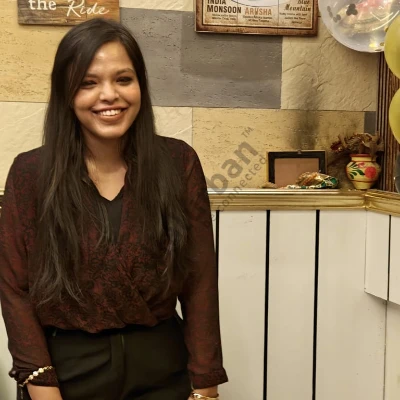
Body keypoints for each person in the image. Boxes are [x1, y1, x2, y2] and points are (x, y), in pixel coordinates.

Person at [0, 18, 227, 400]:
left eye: (123, 79)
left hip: (163, 369)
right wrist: (42, 387)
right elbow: (15, 290)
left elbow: (200, 281)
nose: (109, 95)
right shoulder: (30, 172)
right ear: (66, 93)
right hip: (65, 373)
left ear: (140, 85)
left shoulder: (177, 162)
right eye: (88, 83)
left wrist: (206, 388)